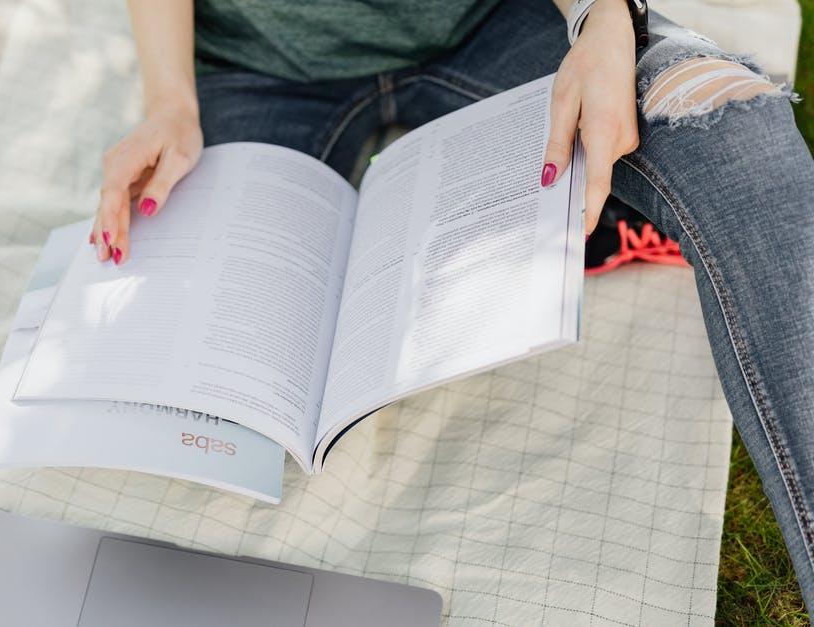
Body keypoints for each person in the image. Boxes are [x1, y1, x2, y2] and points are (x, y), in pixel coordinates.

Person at [88, 0, 814, 607]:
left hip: (492, 22)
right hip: (260, 63)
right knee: (210, 385)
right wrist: (169, 100)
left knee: (734, 131)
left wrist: (602, 17)